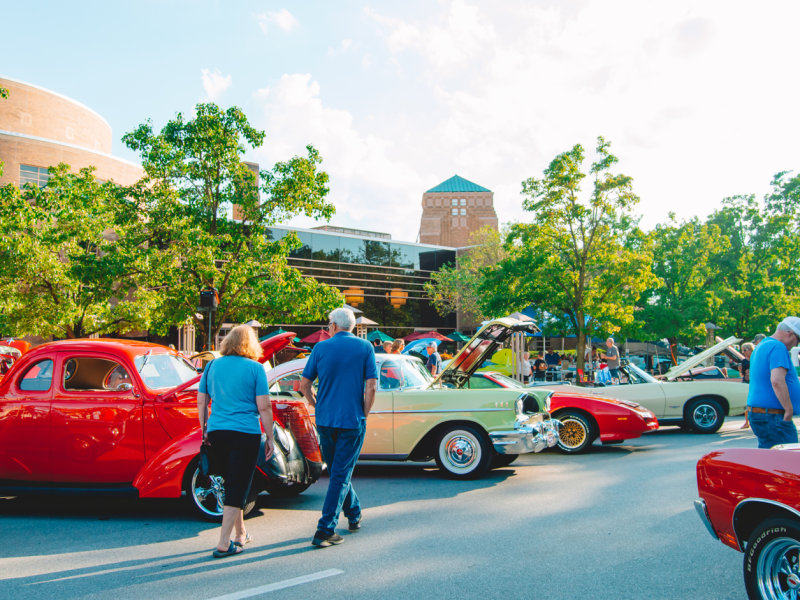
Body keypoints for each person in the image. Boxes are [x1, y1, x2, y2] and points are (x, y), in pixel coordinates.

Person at [300, 307, 377, 547]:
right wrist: (364, 412)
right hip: (352, 420)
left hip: (325, 420)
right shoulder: (365, 347)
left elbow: (304, 386)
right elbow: (372, 386)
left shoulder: (320, 348)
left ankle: (353, 514)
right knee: (340, 474)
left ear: (333, 325)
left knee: (338, 473)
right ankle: (325, 529)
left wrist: (316, 404)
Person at [197, 325, 275, 559]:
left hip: (217, 432)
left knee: (232, 483)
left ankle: (240, 534)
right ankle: (223, 542)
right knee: (238, 486)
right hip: (244, 433)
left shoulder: (211, 366)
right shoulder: (255, 368)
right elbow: (264, 407)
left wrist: (204, 431)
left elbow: (201, 402)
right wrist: (270, 437)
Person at [746, 317, 800, 449]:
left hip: (759, 413)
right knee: (789, 457)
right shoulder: (778, 347)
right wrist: (789, 410)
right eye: (798, 340)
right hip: (773, 415)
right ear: (790, 333)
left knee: (769, 456)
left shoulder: (761, 345)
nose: (796, 345)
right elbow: (777, 380)